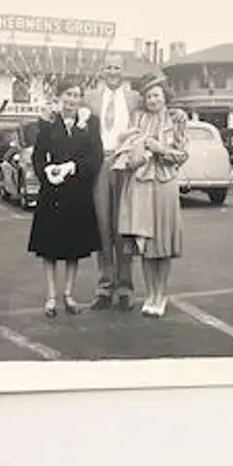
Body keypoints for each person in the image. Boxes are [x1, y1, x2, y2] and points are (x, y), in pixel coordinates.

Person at [111, 74, 189, 317]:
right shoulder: (138, 119)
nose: (152, 100)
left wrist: (160, 149)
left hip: (164, 184)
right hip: (141, 183)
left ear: (165, 96)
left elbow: (183, 155)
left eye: (156, 95)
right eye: (148, 97)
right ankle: (150, 294)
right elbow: (124, 150)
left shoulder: (176, 118)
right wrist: (131, 151)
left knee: (162, 244)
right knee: (144, 242)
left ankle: (161, 295)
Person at [28, 77, 104, 318]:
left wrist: (74, 167)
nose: (72, 99)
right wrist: (47, 172)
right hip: (53, 192)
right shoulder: (49, 122)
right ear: (60, 97)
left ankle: (69, 294)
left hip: (78, 191)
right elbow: (38, 155)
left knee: (74, 247)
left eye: (76, 95)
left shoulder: (90, 122)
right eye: (68, 94)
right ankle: (51, 297)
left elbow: (96, 156)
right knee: (49, 247)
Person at [83, 53, 142, 311]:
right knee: (103, 226)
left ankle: (125, 288)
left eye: (117, 67)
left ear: (123, 70)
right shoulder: (90, 98)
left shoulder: (134, 98)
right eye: (108, 67)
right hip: (100, 164)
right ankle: (105, 286)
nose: (113, 72)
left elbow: (160, 107)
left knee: (124, 228)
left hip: (126, 164)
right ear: (102, 70)